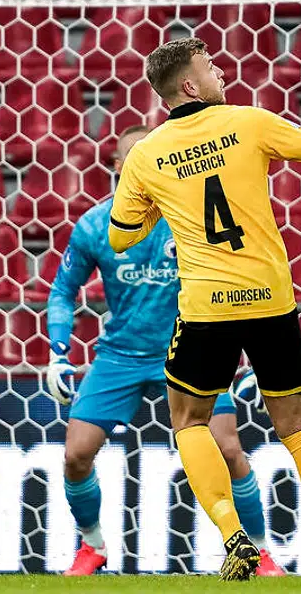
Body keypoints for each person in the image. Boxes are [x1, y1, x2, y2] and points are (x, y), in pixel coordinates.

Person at [108, 38, 301, 581]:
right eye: (210, 66)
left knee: (188, 420)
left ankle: (234, 539)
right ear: (189, 85)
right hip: (270, 297)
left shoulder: (147, 155)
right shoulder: (248, 122)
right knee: (295, 426)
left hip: (206, 307)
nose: (220, 69)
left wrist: (159, 203)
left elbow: (120, 237)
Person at [46, 124, 283, 577]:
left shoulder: (195, 219)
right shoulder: (96, 225)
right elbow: (63, 291)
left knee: (228, 448)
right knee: (76, 454)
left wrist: (252, 355)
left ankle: (258, 551)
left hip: (191, 349)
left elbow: (244, 281)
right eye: (136, 159)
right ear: (119, 168)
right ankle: (92, 546)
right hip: (119, 356)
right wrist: (59, 352)